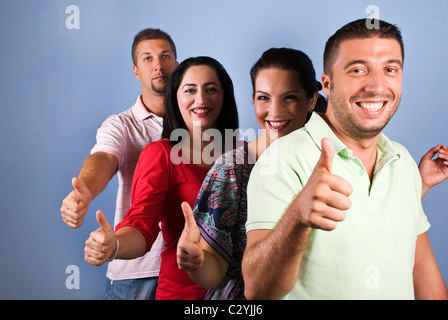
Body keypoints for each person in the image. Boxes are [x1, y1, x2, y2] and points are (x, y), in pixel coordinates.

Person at [242, 19, 448, 300]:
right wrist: (297, 218)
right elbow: (258, 291)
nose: (376, 86)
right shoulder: (279, 161)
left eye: (390, 69)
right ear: (327, 83)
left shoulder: (403, 161)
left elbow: (422, 270)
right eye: (357, 70)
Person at [83, 56, 239, 300]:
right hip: (182, 294)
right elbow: (141, 224)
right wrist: (115, 246)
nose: (201, 99)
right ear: (175, 98)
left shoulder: (245, 153)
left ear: (224, 97)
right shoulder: (161, 155)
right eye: (190, 90)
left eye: (211, 89)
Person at [176, 48, 326, 299]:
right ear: (253, 99)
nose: (275, 112)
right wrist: (198, 260)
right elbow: (213, 273)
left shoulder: (330, 161)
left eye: (289, 97)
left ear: (311, 99)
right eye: (264, 98)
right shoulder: (232, 170)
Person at [60, 28, 178, 300]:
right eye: (148, 58)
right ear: (136, 71)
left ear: (178, 64)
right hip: (133, 271)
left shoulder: (198, 124)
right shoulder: (121, 126)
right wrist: (86, 190)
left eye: (166, 56)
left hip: (186, 269)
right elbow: (103, 157)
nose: (158, 65)